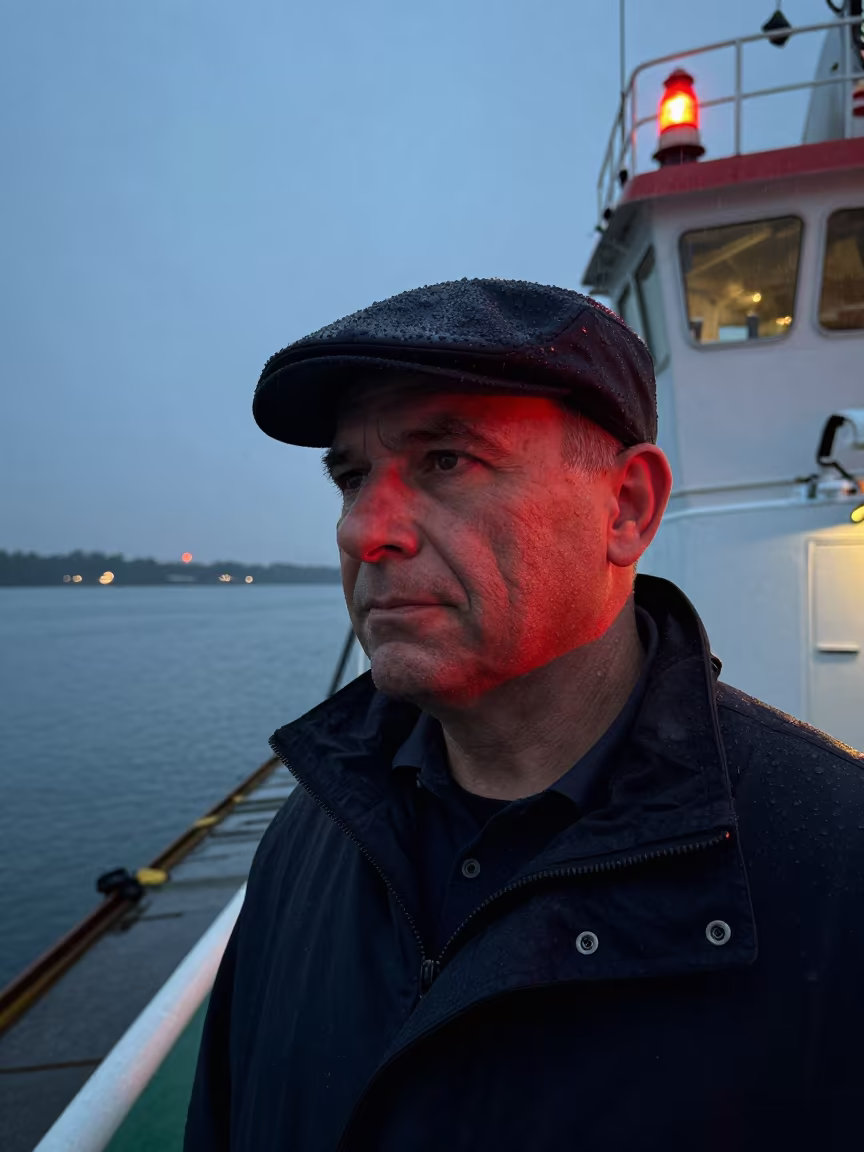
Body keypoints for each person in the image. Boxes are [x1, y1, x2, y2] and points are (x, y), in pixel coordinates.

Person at [185, 279, 864, 1152]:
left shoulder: (837, 864)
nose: (364, 531)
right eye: (351, 477)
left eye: (445, 461)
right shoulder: (308, 839)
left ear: (626, 508)